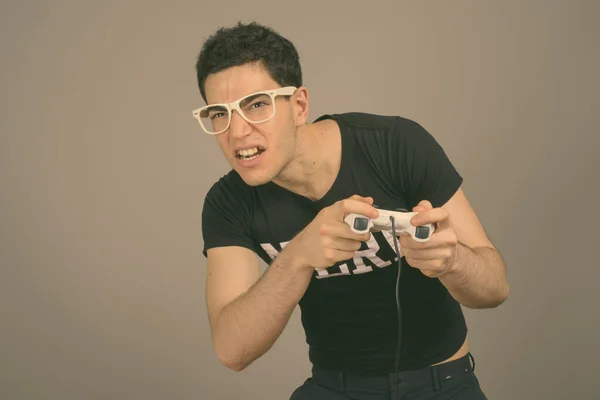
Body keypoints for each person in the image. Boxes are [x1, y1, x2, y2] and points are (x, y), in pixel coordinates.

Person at [192, 21, 509, 400]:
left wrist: (451, 260)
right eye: (220, 114)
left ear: (299, 106)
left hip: (442, 382)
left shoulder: (395, 145)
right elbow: (232, 350)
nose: (237, 132)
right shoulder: (229, 202)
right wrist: (298, 257)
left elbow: (495, 288)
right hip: (335, 386)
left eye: (256, 105)